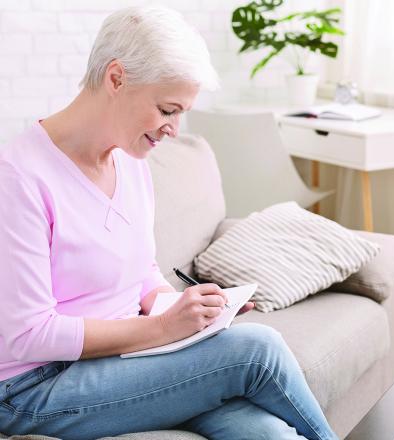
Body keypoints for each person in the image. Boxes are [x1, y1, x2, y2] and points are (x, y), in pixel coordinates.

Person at [0, 6, 337, 440]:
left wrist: (189, 312)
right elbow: (29, 336)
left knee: (266, 434)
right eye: (166, 109)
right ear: (116, 79)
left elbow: (141, 272)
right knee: (258, 350)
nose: (174, 129)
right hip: (35, 386)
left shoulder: (131, 159)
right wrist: (161, 328)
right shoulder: (18, 176)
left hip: (124, 361)